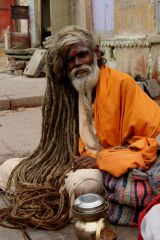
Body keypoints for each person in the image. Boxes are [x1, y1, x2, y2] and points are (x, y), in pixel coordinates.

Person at [0, 25, 160, 230]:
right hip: (69, 162)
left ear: (96, 52)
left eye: (82, 55)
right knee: (8, 167)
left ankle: (58, 200)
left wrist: (101, 160)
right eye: (70, 60)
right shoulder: (65, 94)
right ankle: (52, 195)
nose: (77, 64)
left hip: (107, 169)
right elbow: (53, 146)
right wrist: (57, 161)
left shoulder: (122, 84)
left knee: (83, 185)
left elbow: (151, 142)